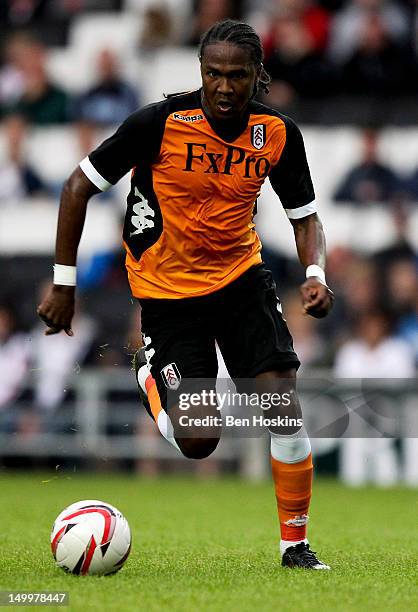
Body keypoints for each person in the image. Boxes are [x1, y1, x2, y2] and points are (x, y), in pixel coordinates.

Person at [37, 19, 334, 570]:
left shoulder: (278, 135)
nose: (224, 87)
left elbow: (305, 216)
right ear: (200, 72)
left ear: (257, 76)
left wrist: (315, 272)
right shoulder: (159, 123)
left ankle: (295, 547)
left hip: (241, 280)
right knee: (200, 440)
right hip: (169, 296)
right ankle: (151, 371)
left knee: (281, 407)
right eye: (213, 74)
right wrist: (63, 282)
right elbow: (78, 185)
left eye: (237, 76)